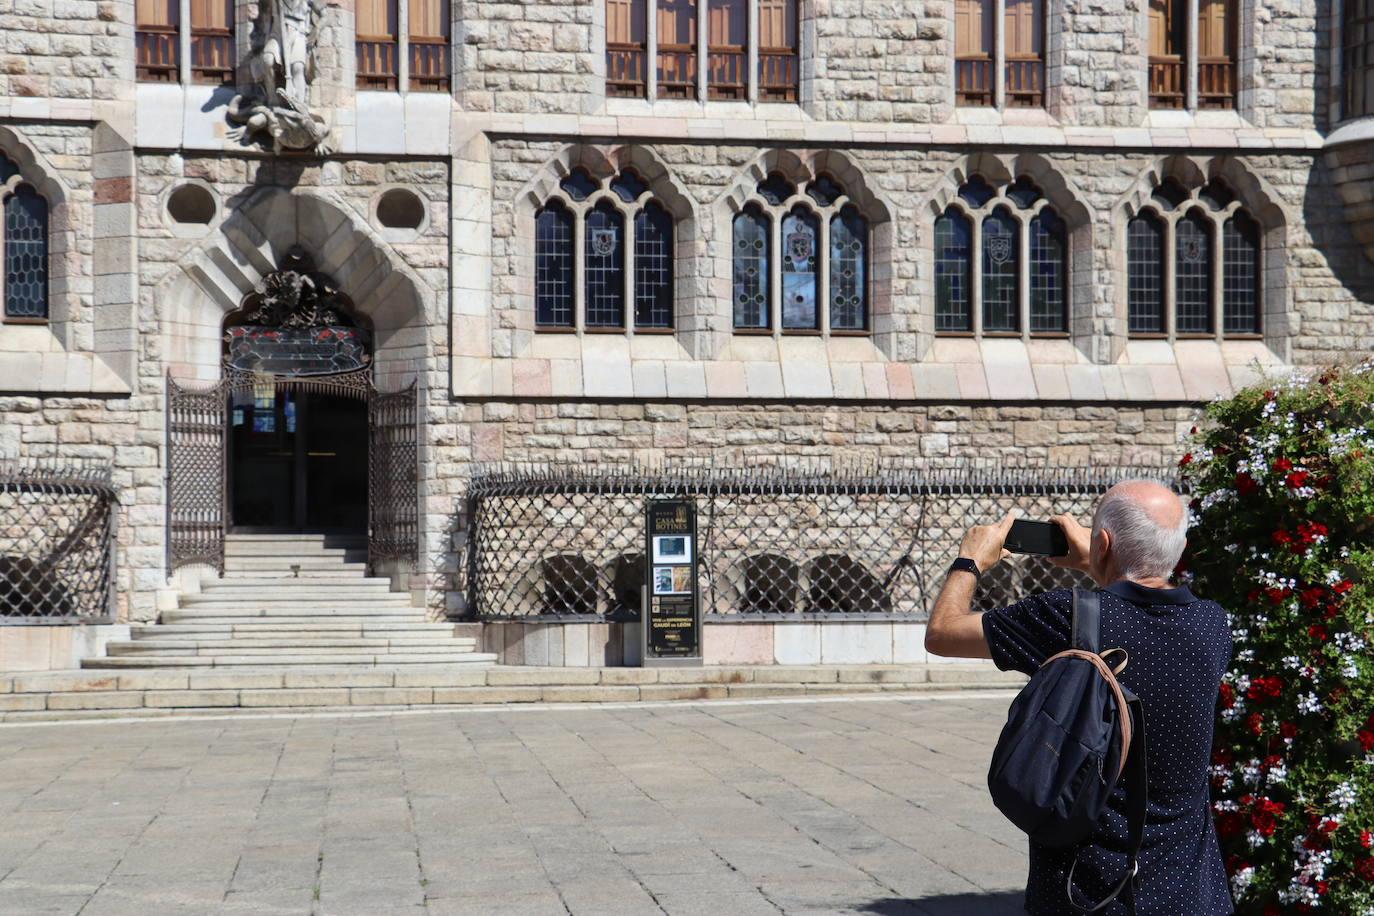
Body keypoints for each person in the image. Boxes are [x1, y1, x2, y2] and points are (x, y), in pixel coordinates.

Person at [924, 480, 1234, 915]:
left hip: (1086, 893)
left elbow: (942, 633)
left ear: (1102, 542)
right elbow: (1143, 604)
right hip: (1190, 893)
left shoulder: (1065, 615)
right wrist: (1101, 561)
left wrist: (970, 560)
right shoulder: (1211, 626)